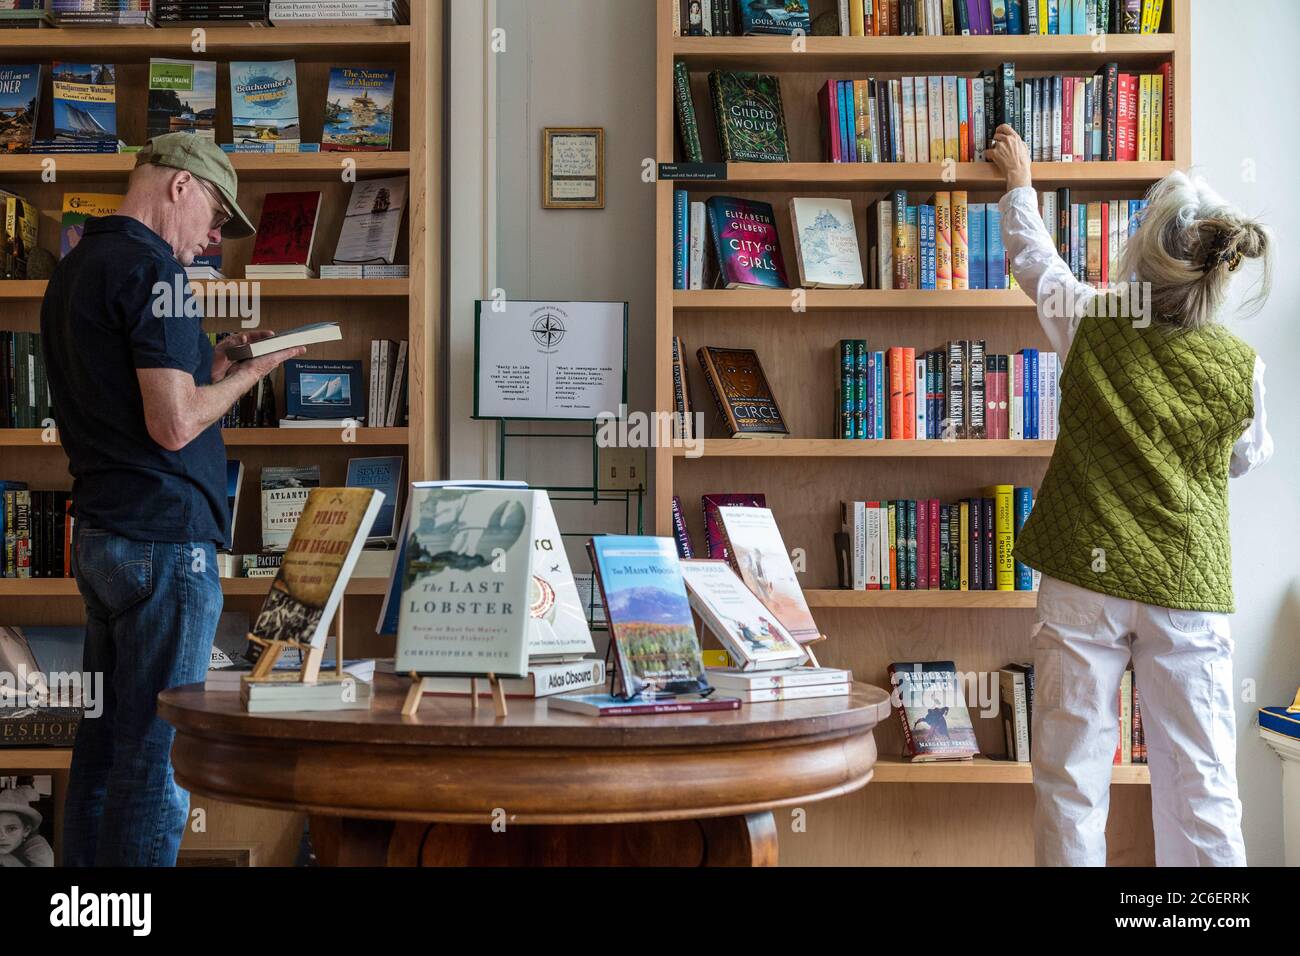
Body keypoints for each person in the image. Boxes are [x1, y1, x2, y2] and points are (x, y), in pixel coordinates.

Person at [986, 126, 1273, 867]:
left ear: (1144, 252)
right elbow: (1243, 460)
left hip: (1086, 578)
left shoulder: (1093, 321)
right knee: (1202, 783)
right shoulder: (1243, 367)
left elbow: (1036, 265)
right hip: (1187, 586)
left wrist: (1019, 181)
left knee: (1070, 777)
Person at [41, 133, 304, 867]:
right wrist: (258, 374)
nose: (215, 238)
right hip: (162, 544)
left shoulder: (78, 269)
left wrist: (212, 361)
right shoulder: (155, 271)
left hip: (102, 539)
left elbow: (137, 395)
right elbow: (175, 422)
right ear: (180, 186)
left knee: (100, 755)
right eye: (217, 216)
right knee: (157, 759)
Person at [0, 788, 54, 867]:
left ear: (26, 830)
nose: (1, 837)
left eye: (11, 829)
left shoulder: (38, 846)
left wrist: (7, 859)